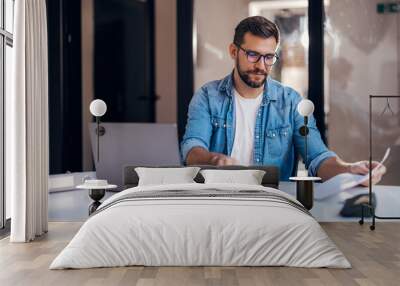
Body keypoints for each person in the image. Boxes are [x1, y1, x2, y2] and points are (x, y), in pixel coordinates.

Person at [180, 16, 385, 185]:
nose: (261, 65)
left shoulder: (291, 102)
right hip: (220, 199)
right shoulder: (207, 97)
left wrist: (349, 169)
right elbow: (192, 148)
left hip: (274, 203)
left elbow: (317, 157)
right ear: (234, 51)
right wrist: (213, 159)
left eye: (269, 57)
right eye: (253, 55)